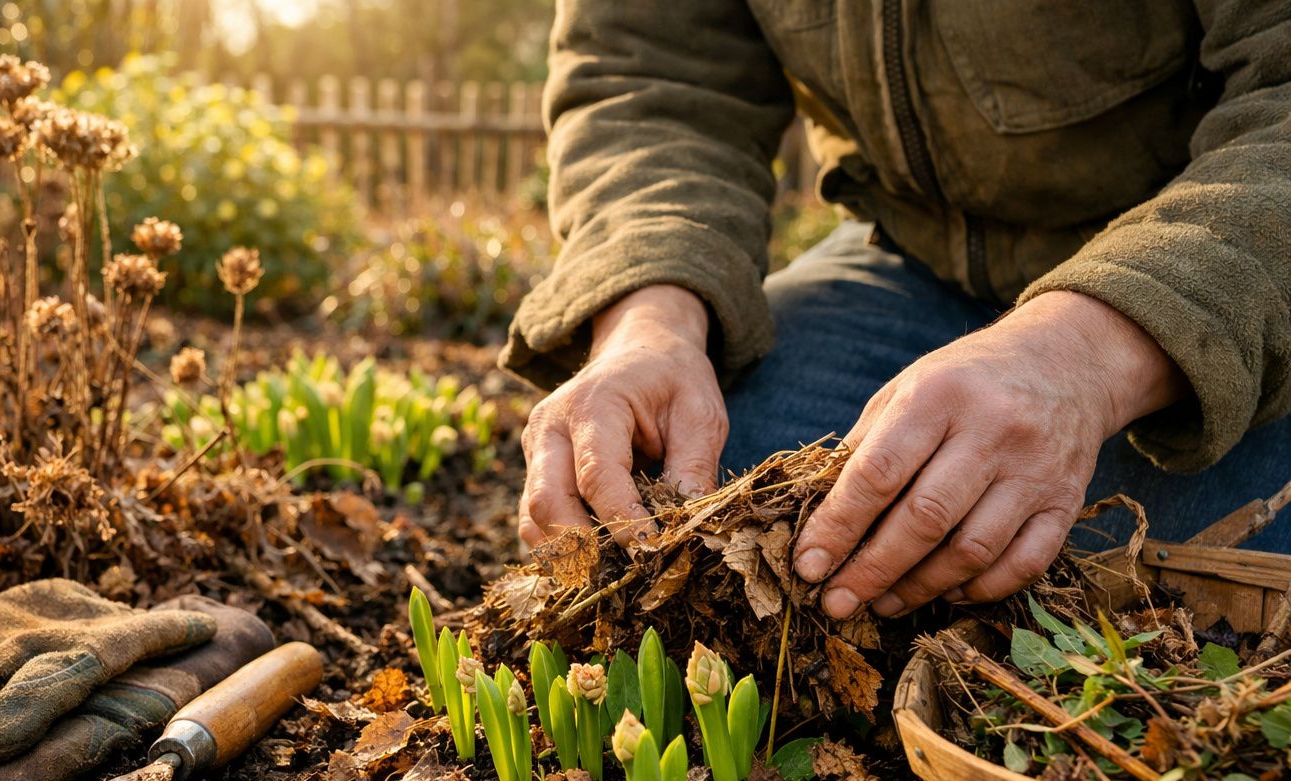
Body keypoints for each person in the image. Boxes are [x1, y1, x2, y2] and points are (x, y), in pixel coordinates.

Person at [501, 2, 1291, 621]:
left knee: (1148, 600)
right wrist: (651, 315)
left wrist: (1085, 357)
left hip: (1211, 279)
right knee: (699, 531)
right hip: (911, 257)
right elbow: (651, 81)